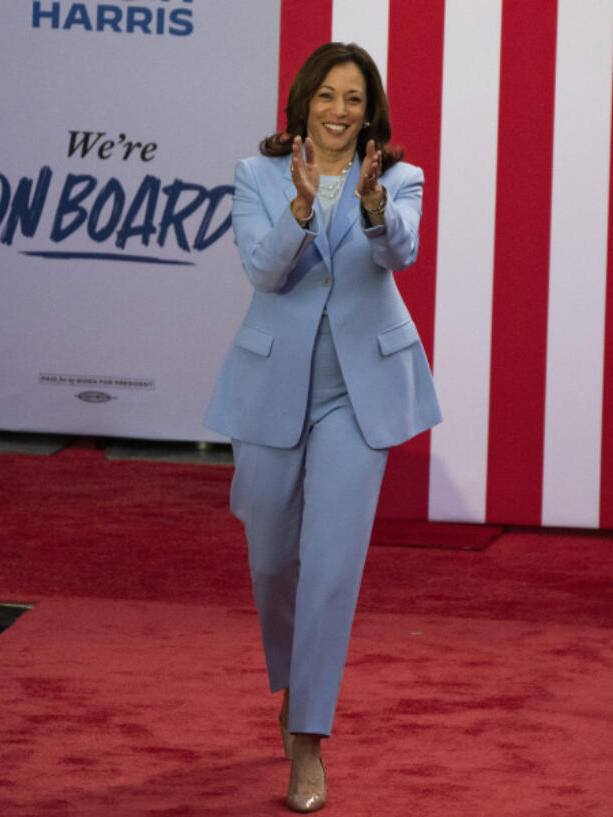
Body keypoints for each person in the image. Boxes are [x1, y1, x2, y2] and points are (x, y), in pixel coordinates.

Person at [204, 42, 441, 812]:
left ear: (370, 112)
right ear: (303, 101)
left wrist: (370, 208)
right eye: (327, 96)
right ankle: (294, 683)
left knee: (331, 565)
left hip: (359, 395)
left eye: (355, 99)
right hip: (273, 386)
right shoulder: (257, 176)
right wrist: (304, 207)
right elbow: (264, 272)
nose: (340, 111)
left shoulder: (399, 180)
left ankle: (307, 737)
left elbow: (398, 251)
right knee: (272, 557)